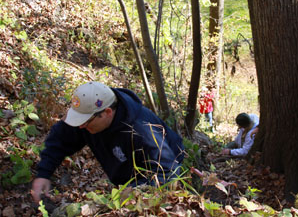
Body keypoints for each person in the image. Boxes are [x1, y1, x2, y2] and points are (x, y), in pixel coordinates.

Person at [31, 82, 184, 203]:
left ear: (107, 113)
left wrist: (132, 193)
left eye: (85, 122)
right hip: (125, 180)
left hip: (162, 175)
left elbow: (168, 171)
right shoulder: (89, 114)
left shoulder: (142, 130)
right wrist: (43, 173)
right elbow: (61, 138)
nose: (81, 126)